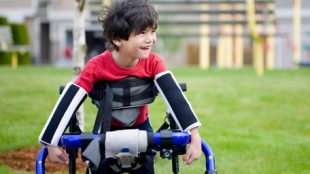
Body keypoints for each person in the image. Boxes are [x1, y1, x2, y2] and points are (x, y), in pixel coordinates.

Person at [39, 0, 202, 173]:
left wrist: (195, 135)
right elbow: (71, 97)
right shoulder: (97, 65)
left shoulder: (154, 63)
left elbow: (174, 96)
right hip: (107, 131)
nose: (150, 39)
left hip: (142, 128)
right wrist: (51, 141)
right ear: (117, 39)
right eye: (142, 33)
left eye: (153, 31)